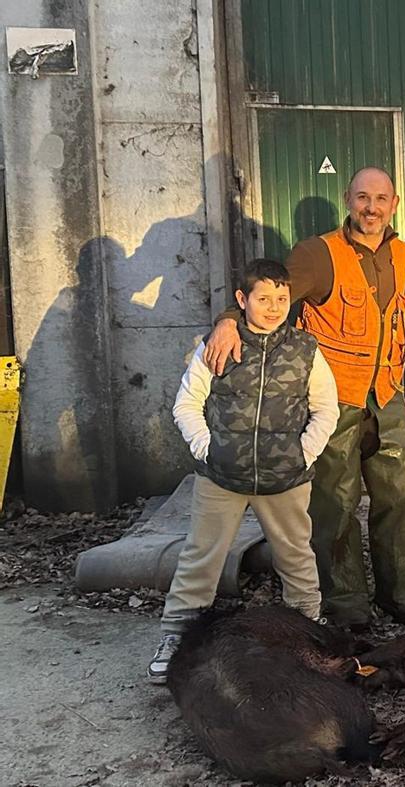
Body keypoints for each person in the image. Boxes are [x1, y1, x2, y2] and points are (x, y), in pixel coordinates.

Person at [204, 166, 405, 630]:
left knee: (404, 496)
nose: (372, 207)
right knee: (334, 503)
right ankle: (346, 604)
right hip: (338, 398)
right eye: (363, 197)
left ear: (395, 203)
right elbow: (270, 298)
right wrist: (229, 319)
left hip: (388, 395)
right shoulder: (317, 254)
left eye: (381, 198)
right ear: (348, 199)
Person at [148, 259, 338, 682]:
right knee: (201, 557)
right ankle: (177, 636)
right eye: (263, 298)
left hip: (285, 478)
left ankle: (305, 635)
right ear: (242, 300)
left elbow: (326, 409)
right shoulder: (218, 346)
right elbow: (187, 403)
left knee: (295, 557)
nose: (273, 307)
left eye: (281, 299)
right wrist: (209, 448)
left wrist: (302, 455)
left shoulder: (305, 350)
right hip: (221, 477)